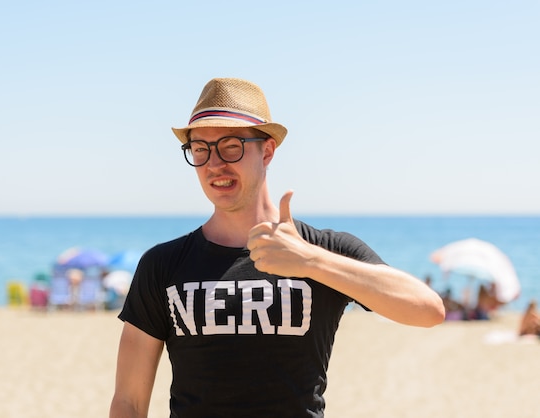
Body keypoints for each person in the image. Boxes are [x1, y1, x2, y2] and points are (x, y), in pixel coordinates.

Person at [109, 77, 445, 418]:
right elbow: (129, 402)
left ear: (267, 150)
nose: (214, 164)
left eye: (230, 146)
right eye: (200, 149)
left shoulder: (322, 249)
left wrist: (311, 262)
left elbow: (427, 309)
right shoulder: (163, 264)